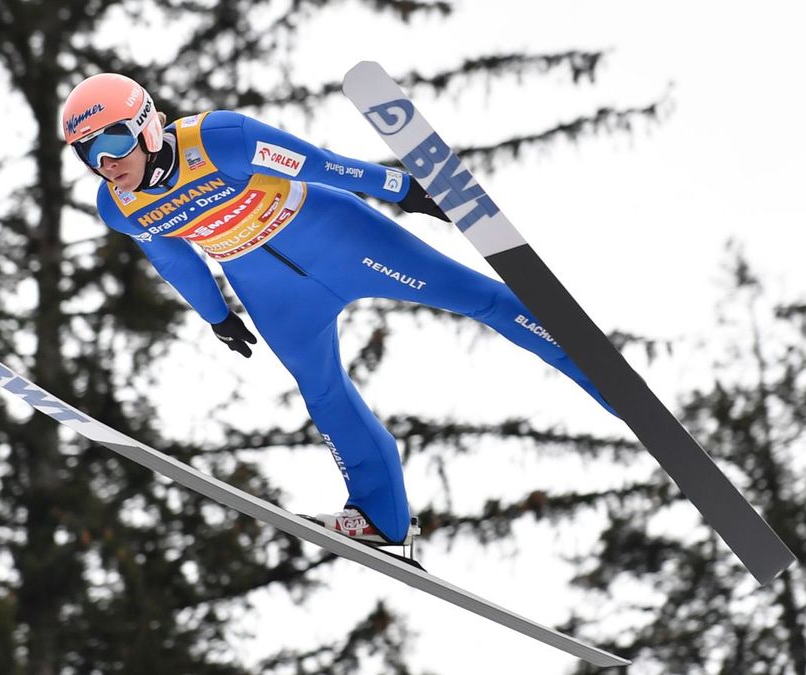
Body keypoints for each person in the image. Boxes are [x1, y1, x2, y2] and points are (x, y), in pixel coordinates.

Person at [61, 73, 614, 547]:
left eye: (111, 141)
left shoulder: (219, 139)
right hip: (272, 292)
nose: (105, 162)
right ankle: (382, 518)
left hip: (341, 238)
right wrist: (216, 316)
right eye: (88, 152)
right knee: (322, 389)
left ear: (147, 126)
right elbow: (175, 262)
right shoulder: (121, 206)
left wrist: (400, 188)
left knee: (479, 297)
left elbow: (320, 165)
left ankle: (604, 378)